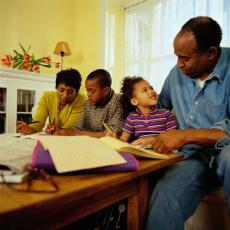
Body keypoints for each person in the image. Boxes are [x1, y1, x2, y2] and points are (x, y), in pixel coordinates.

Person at [146, 16, 230, 229]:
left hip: (225, 151)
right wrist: (146, 130)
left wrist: (184, 135)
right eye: (177, 57)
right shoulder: (176, 74)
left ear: (210, 53)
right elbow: (160, 109)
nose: (178, 65)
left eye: (185, 58)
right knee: (165, 195)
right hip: (193, 156)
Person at [50, 69, 124, 137]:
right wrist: (60, 130)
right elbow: (77, 128)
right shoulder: (88, 104)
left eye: (92, 91)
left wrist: (75, 133)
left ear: (105, 91)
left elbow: (112, 134)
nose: (88, 94)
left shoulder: (118, 101)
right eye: (87, 91)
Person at [16, 68, 86, 135]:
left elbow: (70, 128)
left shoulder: (81, 100)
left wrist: (56, 130)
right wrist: (30, 129)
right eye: (61, 90)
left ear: (76, 92)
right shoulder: (47, 97)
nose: (65, 95)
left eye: (70, 92)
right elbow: (38, 122)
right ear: (56, 87)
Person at [119, 76, 177, 143]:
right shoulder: (132, 117)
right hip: (141, 152)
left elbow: (173, 137)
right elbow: (123, 140)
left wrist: (151, 140)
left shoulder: (166, 114)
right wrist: (114, 139)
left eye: (151, 88)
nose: (152, 91)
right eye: (145, 90)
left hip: (162, 152)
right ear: (134, 101)